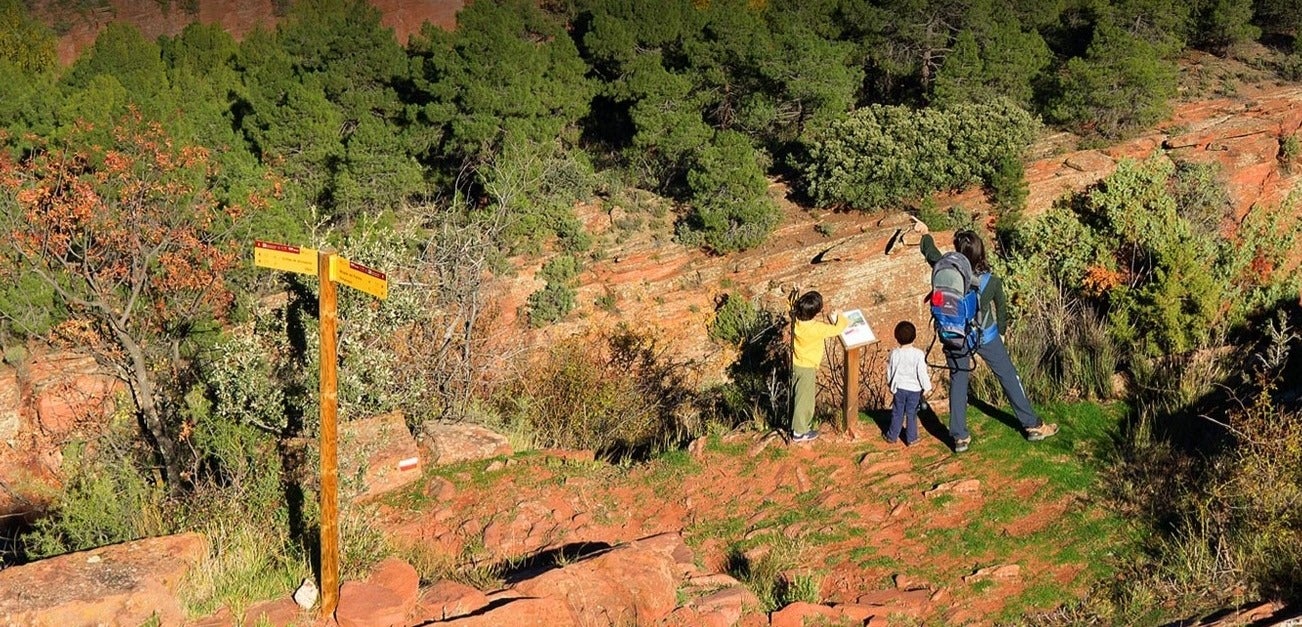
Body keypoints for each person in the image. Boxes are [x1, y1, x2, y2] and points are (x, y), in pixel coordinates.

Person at [918, 225, 1058, 452]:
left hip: (956, 335)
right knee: (1009, 376)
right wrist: (1001, 332)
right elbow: (1001, 309)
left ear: (957, 250)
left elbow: (930, 252)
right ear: (980, 253)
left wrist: (924, 233)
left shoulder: (946, 266)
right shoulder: (991, 281)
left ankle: (959, 438)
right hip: (986, 336)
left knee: (959, 381)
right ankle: (1032, 425)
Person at [790, 290, 848, 443]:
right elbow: (838, 329)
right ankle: (800, 432)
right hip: (807, 366)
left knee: (799, 395)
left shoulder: (795, 320)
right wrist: (840, 316)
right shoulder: (816, 328)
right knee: (805, 400)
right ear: (815, 311)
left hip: (796, 363)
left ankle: (798, 427)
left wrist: (796, 294)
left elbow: (792, 304)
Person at [885, 321, 931, 445]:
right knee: (912, 413)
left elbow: (890, 371)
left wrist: (890, 385)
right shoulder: (918, 354)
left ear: (896, 337)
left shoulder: (894, 353)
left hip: (899, 388)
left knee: (897, 412)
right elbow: (922, 372)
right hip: (914, 390)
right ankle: (912, 438)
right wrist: (926, 387)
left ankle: (892, 436)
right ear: (914, 336)